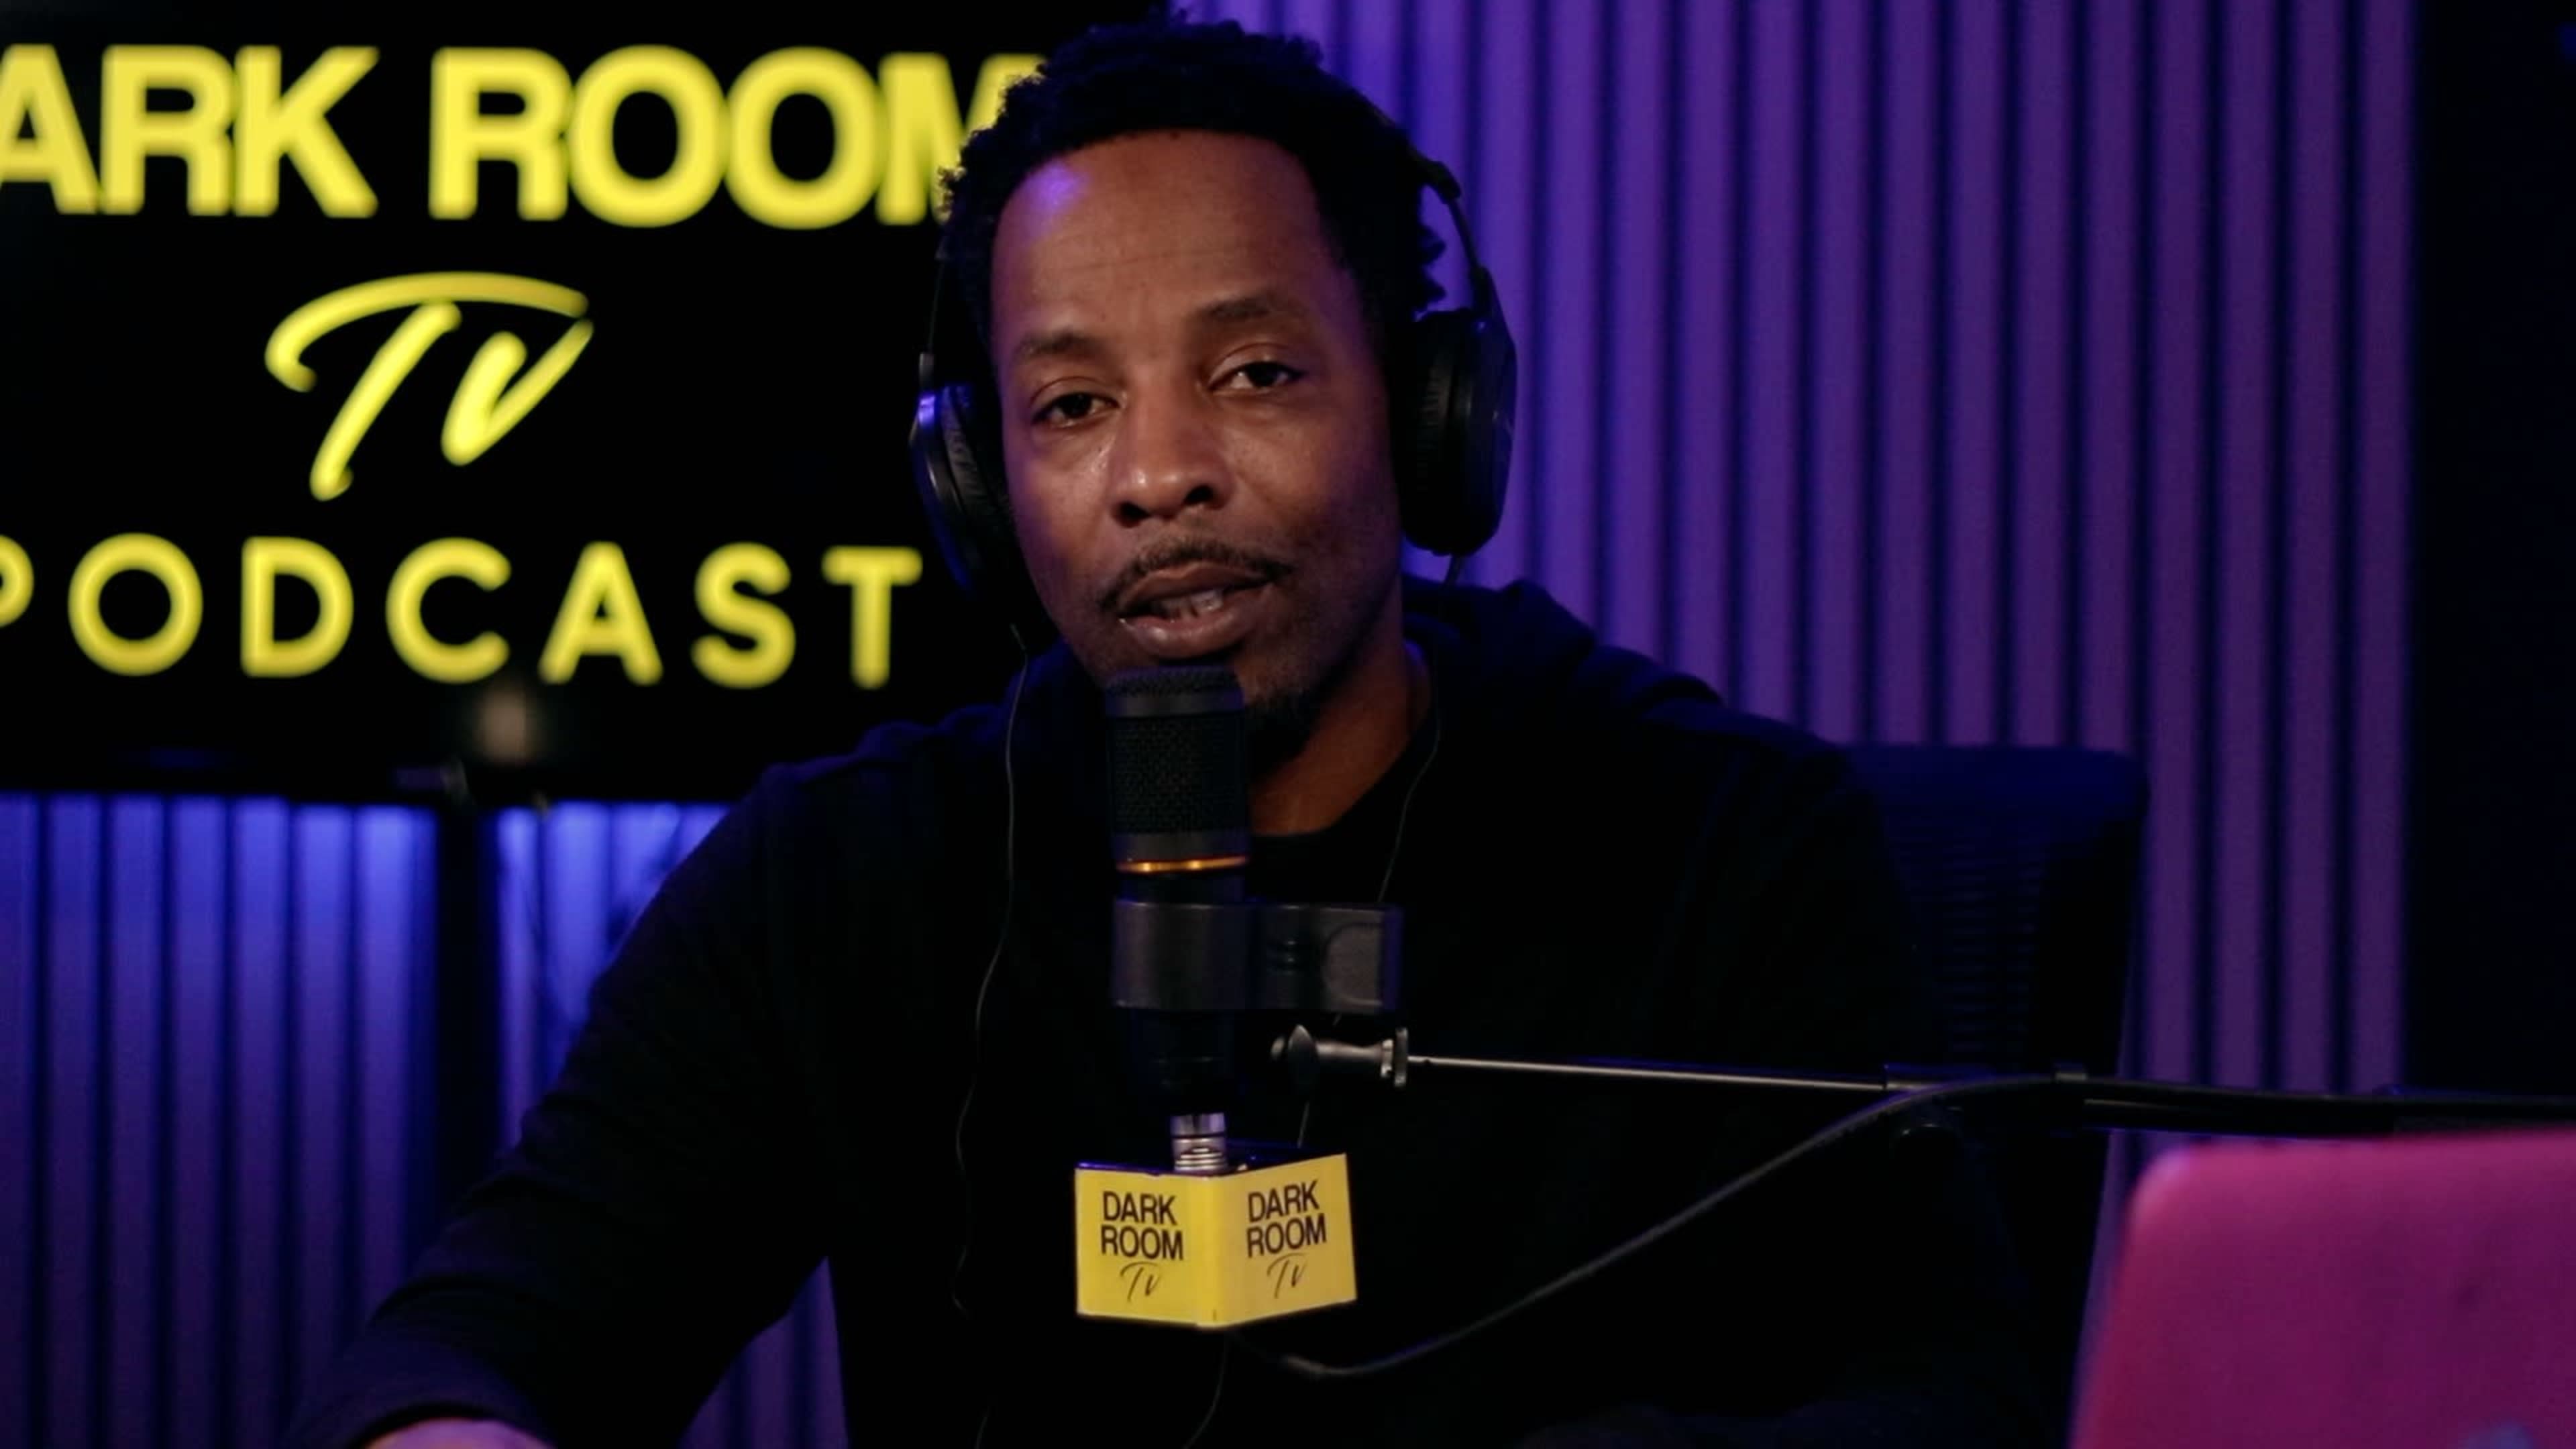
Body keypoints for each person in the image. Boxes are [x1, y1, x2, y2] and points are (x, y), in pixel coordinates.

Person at [289, 15, 2046, 1448]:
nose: (1158, 475)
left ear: (1425, 413)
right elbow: (494, 1326)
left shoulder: (1718, 845)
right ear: (981, 486)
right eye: (1069, 406)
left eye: (1256, 372)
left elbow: (1948, 1396)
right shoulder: (846, 881)